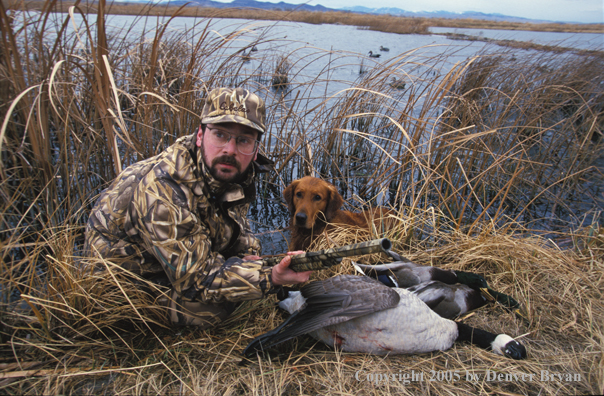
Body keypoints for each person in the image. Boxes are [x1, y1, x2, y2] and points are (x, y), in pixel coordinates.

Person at [84, 87, 311, 328]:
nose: (230, 150)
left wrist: (250, 260)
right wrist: (270, 277)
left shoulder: (230, 172)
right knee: (209, 311)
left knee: (246, 267)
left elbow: (233, 227)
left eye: (244, 140)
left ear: (255, 150)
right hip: (123, 278)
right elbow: (197, 281)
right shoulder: (163, 189)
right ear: (201, 135)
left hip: (171, 255)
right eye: (221, 135)